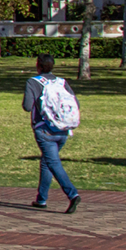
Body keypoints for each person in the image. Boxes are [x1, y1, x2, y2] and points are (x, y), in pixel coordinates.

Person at [22, 53, 81, 214]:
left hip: (44, 129)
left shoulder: (33, 82)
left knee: (53, 163)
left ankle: (72, 194)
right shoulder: (61, 82)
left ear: (38, 66)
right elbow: (76, 103)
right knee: (47, 161)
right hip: (62, 129)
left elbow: (27, 106)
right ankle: (41, 199)